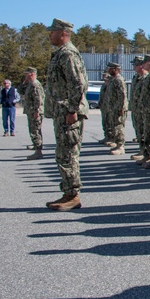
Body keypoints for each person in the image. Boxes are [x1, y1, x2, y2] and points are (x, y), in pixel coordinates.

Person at [43, 18, 89, 211]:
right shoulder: (60, 54)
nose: (50, 35)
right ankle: (69, 192)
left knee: (68, 154)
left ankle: (73, 195)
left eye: (52, 32)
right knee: (63, 154)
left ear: (63, 33)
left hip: (68, 113)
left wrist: (72, 110)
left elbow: (78, 84)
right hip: (62, 112)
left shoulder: (68, 54)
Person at [18, 67, 45, 158]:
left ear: (32, 74)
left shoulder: (35, 84)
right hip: (31, 110)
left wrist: (37, 110)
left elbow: (38, 99)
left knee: (35, 130)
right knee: (34, 129)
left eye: (27, 74)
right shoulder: (30, 84)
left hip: (35, 111)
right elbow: (20, 91)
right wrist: (25, 82)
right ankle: (36, 146)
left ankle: (38, 151)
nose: (25, 76)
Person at [102, 63, 127, 154]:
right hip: (112, 108)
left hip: (118, 109)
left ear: (116, 69)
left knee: (118, 127)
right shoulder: (113, 80)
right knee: (114, 127)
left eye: (110, 69)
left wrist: (121, 108)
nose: (108, 70)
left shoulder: (118, 80)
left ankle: (121, 147)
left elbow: (122, 95)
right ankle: (117, 144)